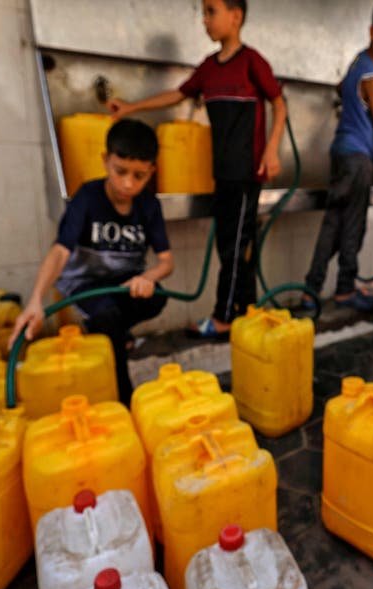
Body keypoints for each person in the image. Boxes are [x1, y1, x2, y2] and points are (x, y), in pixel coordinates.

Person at [109, 0, 286, 338]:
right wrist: (132, 107)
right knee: (231, 244)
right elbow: (177, 95)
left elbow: (279, 103)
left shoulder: (252, 62)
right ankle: (247, 311)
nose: (205, 19)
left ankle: (223, 317)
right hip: (222, 172)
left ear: (235, 17)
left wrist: (272, 149)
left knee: (234, 245)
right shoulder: (209, 67)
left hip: (247, 170)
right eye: (203, 12)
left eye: (211, 11)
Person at [9, 119, 173, 406]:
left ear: (151, 173)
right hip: (86, 284)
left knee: (156, 298)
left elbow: (166, 262)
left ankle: (110, 332)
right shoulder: (87, 197)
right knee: (108, 320)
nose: (127, 184)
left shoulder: (149, 205)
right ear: (105, 160)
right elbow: (60, 251)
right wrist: (36, 299)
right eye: (119, 171)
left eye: (139, 176)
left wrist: (148, 277)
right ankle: (124, 400)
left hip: (123, 283)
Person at [300, 0, 373, 312]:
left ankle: (311, 291)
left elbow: (341, 88)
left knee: (333, 223)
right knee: (351, 225)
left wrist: (349, 101)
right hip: (357, 158)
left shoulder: (357, 66)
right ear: (372, 31)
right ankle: (345, 290)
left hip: (340, 153)